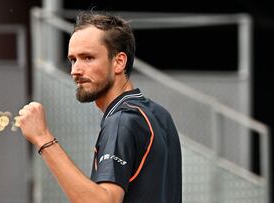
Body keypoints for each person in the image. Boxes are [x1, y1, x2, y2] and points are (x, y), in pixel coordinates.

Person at [18, 10, 182, 203]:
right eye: (73, 59)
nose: (75, 71)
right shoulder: (160, 115)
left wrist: (42, 137)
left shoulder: (122, 120)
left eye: (88, 58)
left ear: (119, 62)